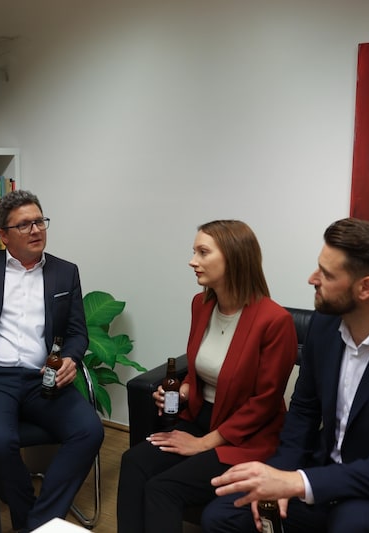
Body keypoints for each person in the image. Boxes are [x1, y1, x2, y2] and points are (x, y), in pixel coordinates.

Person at [205, 218, 369, 533]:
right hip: (326, 476)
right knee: (223, 515)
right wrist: (280, 475)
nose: (312, 279)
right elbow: (304, 411)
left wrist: (297, 482)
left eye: (327, 274)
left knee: (352, 524)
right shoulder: (324, 326)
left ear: (365, 287)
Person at [0, 189, 104, 532]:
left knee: (89, 430)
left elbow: (77, 332)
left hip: (46, 379)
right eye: (24, 225)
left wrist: (70, 357)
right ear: (3, 235)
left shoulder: (64, 272)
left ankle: (40, 523)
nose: (36, 230)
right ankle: (28, 513)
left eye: (40, 221)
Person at [116, 220, 298, 533]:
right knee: (133, 462)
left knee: (163, 488)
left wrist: (203, 444)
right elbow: (202, 370)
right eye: (194, 251)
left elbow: (265, 403)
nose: (192, 261)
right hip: (201, 417)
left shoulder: (275, 320)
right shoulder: (201, 305)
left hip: (247, 435)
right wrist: (183, 392)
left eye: (203, 252)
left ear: (234, 258)